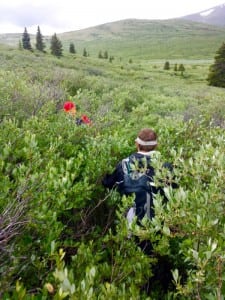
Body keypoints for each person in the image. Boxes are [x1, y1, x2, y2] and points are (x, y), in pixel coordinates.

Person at [102, 128, 174, 225]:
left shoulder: (124, 165)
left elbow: (107, 183)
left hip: (131, 223)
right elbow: (173, 191)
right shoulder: (165, 167)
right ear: (156, 145)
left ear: (137, 144)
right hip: (158, 223)